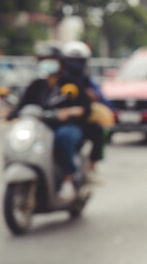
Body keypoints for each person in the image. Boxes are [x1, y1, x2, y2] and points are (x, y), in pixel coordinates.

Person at [8, 43, 91, 201]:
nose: (47, 63)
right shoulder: (37, 85)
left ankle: (68, 180)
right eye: (44, 60)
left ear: (60, 63)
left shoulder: (70, 83)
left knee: (63, 137)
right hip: (42, 127)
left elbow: (85, 108)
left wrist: (69, 111)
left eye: (51, 60)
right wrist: (12, 112)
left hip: (67, 126)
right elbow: (23, 104)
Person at [60, 41, 110, 183]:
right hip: (54, 119)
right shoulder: (56, 79)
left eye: (78, 61)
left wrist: (94, 97)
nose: (74, 64)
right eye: (71, 60)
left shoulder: (85, 82)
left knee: (98, 130)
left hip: (77, 121)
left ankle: (89, 169)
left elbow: (96, 103)